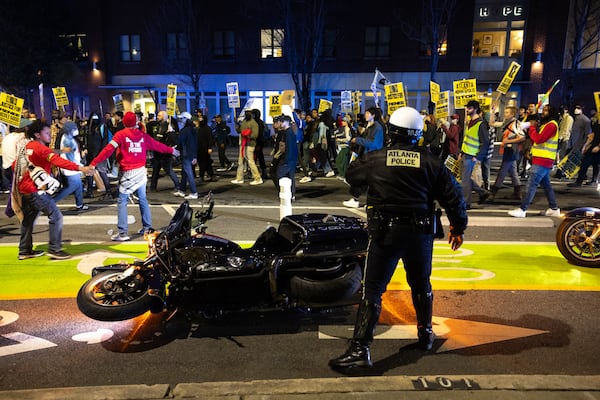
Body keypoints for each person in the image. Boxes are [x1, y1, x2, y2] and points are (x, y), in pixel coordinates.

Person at [328, 107, 468, 369]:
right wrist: (458, 228)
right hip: (420, 235)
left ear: (391, 131)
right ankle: (426, 333)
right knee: (421, 284)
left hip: (385, 234)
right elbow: (454, 197)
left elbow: (352, 175)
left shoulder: (376, 158)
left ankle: (360, 350)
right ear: (417, 135)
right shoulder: (431, 161)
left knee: (373, 290)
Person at [90, 111, 180, 241]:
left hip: (128, 172)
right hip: (141, 172)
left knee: (122, 201)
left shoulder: (120, 135)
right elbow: (157, 145)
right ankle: (147, 228)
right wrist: (171, 150)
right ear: (136, 122)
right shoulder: (142, 135)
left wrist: (94, 162)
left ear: (125, 122)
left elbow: (108, 150)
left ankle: (123, 233)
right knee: (142, 199)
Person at [13, 120, 93, 260]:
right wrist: (81, 168)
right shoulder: (41, 148)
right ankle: (55, 249)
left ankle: (24, 251)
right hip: (36, 190)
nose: (50, 135)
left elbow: (15, 165)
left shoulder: (26, 146)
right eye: (47, 133)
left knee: (28, 220)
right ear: (38, 134)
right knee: (56, 216)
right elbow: (58, 161)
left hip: (24, 189)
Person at [509, 104, 560, 218]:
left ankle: (523, 209)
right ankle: (554, 208)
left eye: (546, 111)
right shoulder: (546, 125)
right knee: (546, 186)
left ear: (552, 113)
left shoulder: (552, 125)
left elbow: (539, 139)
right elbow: (535, 140)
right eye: (543, 110)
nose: (543, 112)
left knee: (531, 184)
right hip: (541, 159)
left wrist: (531, 127)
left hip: (543, 160)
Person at [342, 107, 385, 208]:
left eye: (367, 113)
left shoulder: (377, 127)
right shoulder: (371, 126)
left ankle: (357, 199)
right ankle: (362, 201)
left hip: (373, 157)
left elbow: (373, 144)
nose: (365, 115)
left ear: (373, 115)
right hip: (369, 156)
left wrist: (357, 140)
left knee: (362, 179)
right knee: (367, 181)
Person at [458, 100, 490, 208]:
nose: (467, 110)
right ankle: (482, 192)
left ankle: (466, 203)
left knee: (465, 180)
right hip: (466, 153)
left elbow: (485, 142)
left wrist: (478, 156)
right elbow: (467, 139)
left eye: (469, 108)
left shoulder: (481, 123)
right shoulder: (470, 121)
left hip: (472, 156)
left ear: (475, 109)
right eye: (467, 108)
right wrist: (461, 152)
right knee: (465, 178)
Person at [489, 106, 525, 201]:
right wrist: (493, 111)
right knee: (513, 172)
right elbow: (492, 123)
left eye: (507, 112)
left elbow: (522, 137)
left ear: (512, 114)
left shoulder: (515, 124)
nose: (505, 114)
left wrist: (508, 141)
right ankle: (517, 193)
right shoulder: (506, 123)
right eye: (505, 112)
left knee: (502, 172)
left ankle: (493, 193)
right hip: (509, 150)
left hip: (512, 150)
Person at [52, 121, 89, 210]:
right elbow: (70, 157)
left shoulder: (66, 137)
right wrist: (80, 166)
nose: (76, 130)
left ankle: (79, 204)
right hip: (70, 168)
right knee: (70, 187)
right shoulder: (68, 141)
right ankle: (50, 202)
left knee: (79, 185)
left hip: (68, 167)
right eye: (74, 128)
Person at [149, 110, 180, 192]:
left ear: (163, 116)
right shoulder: (158, 125)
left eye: (159, 115)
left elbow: (173, 140)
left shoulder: (168, 127)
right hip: (157, 152)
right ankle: (153, 187)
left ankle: (177, 185)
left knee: (168, 170)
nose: (157, 117)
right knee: (155, 170)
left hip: (164, 153)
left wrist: (171, 133)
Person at [85, 113, 113, 199]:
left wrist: (102, 153)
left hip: (100, 154)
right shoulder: (88, 128)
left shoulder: (102, 127)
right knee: (89, 172)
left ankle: (109, 192)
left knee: (102, 172)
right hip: (90, 153)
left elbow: (105, 141)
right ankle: (89, 191)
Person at [231, 110, 263, 185]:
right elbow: (239, 131)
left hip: (250, 144)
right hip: (243, 144)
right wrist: (236, 124)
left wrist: (247, 135)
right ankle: (239, 178)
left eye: (248, 113)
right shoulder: (244, 122)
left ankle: (257, 178)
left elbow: (255, 135)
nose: (247, 115)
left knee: (250, 162)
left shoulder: (254, 123)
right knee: (240, 161)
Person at [173, 112, 199, 199]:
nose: (180, 121)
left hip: (186, 154)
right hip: (191, 154)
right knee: (184, 173)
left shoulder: (184, 131)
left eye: (182, 119)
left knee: (189, 174)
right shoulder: (193, 130)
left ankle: (194, 192)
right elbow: (195, 144)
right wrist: (195, 156)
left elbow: (179, 142)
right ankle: (182, 190)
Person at [271, 115, 298, 197]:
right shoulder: (288, 132)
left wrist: (286, 159)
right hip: (291, 158)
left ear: (286, 122)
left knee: (279, 173)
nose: (280, 123)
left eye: (282, 121)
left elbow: (289, 147)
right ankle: (291, 194)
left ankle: (284, 192)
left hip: (288, 158)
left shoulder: (288, 133)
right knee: (290, 176)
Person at [567, 118, 599, 187]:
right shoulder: (596, 122)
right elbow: (592, 134)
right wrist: (586, 145)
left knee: (589, 163)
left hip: (597, 147)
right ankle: (588, 180)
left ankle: (582, 180)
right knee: (588, 163)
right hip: (593, 145)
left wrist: (599, 147)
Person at [196, 114, 217, 182]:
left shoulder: (207, 129)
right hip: (199, 148)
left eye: (201, 119)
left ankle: (203, 176)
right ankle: (209, 175)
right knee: (203, 163)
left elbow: (210, 139)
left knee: (205, 162)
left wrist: (209, 147)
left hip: (205, 148)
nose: (200, 121)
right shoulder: (198, 129)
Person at [554, 106, 573, 178]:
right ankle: (560, 171)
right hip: (561, 138)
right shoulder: (562, 117)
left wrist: (560, 138)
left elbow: (566, 129)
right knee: (561, 155)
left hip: (565, 139)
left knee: (563, 156)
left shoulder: (568, 118)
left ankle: (561, 172)